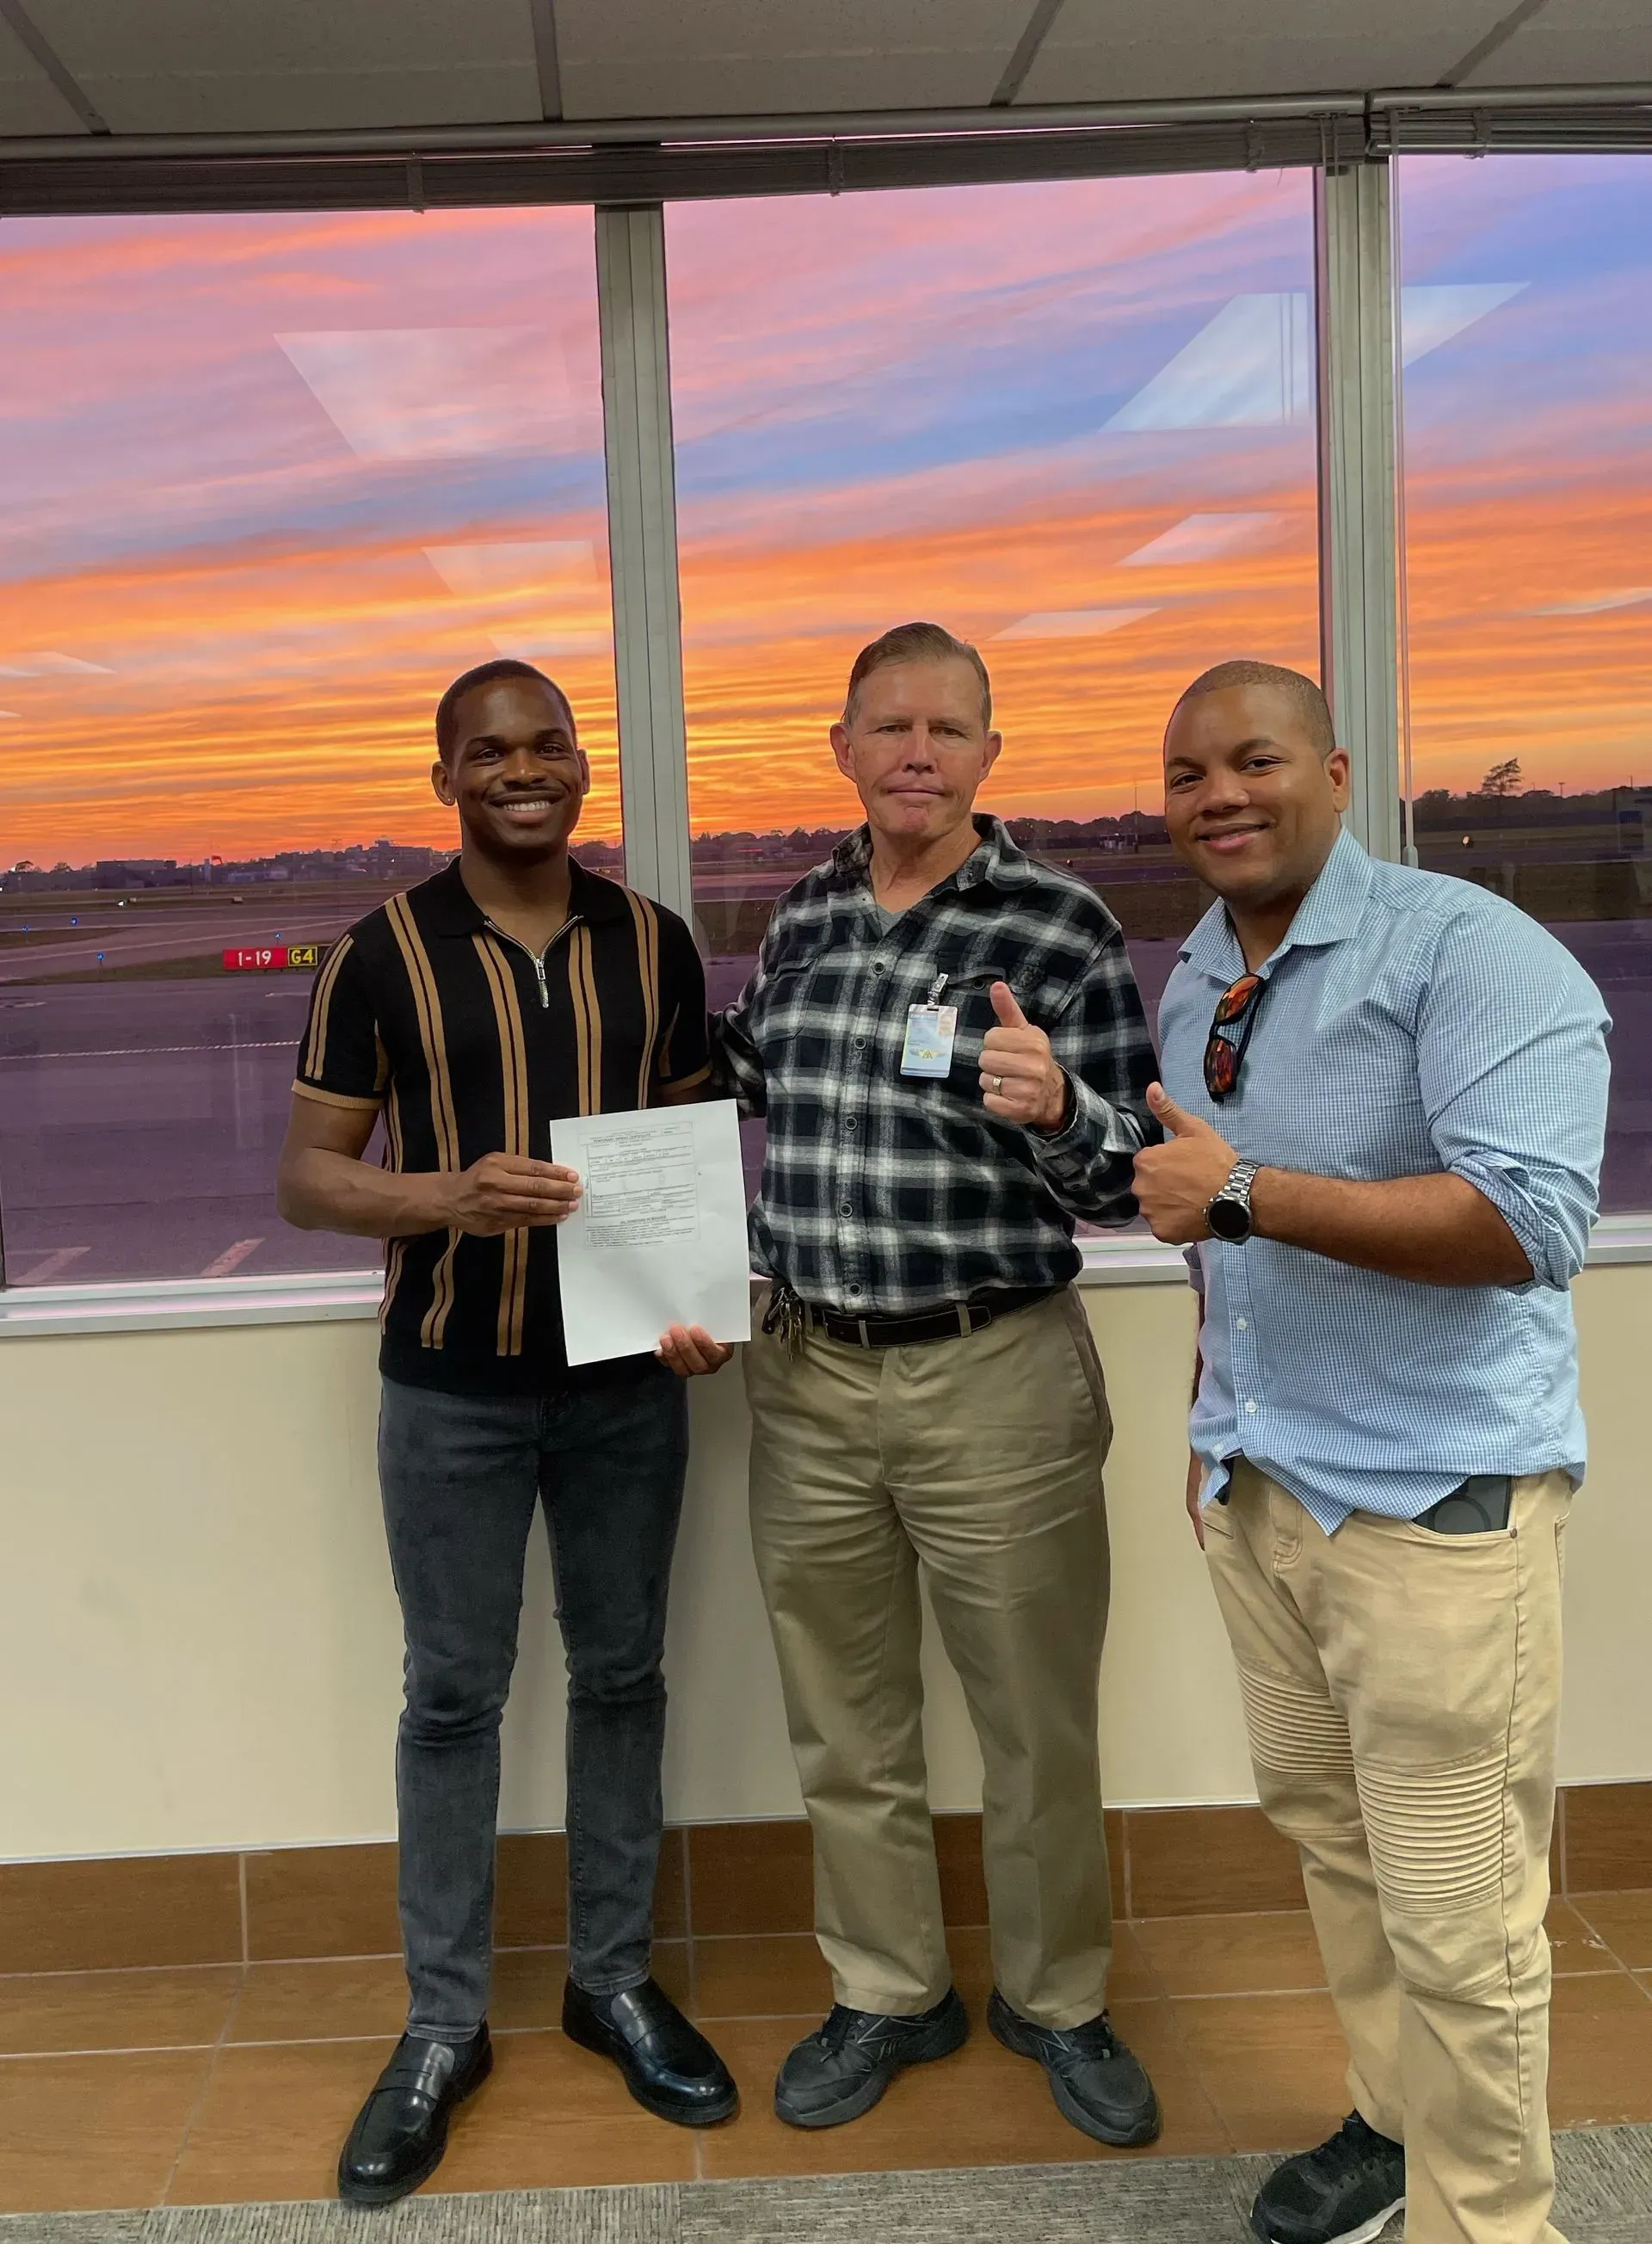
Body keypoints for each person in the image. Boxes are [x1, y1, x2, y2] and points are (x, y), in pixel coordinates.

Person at [1134, 659, 1610, 2244]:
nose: (1222, 797)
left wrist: (1246, 1193)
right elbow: (1224, 1237)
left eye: (1254, 761)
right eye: (1191, 773)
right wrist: (1217, 1432)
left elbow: (1531, 1220)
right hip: (1267, 1493)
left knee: (1462, 1912)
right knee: (1341, 1851)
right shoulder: (1200, 976)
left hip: (1432, 1510)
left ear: (1336, 771)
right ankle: (1395, 2129)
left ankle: (1492, 2223)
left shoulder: (1471, 950)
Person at [681, 619, 1162, 2144]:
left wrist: (1063, 1105)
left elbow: (1128, 1178)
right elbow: (754, 1080)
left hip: (994, 1377)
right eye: (888, 727)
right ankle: (890, 1990)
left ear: (989, 756)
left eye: (949, 730)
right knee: (846, 1715)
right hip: (809, 1376)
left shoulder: (1060, 923)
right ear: (842, 749)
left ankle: (1059, 2001)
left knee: (1034, 1719)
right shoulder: (804, 913)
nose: (917, 753)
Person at [275, 658, 737, 2208]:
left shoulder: (650, 942)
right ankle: (441, 2026)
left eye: (549, 747)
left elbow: (683, 1148)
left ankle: (609, 1981)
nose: (524, 771)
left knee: (622, 1676)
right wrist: (446, 1197)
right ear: (446, 777)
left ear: (581, 769)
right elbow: (312, 1180)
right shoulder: (376, 956)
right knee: (453, 1698)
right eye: (491, 752)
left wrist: (696, 1298)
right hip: (451, 1387)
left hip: (624, 1389)